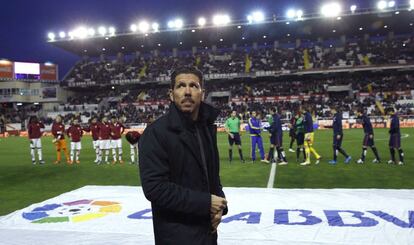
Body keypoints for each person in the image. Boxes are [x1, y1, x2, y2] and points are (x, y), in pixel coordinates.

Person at [139, 66, 227, 245]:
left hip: (208, 232)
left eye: (194, 86)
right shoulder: (156, 133)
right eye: (181, 86)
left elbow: (212, 177)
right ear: (171, 94)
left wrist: (220, 208)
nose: (187, 91)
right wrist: (206, 203)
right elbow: (155, 188)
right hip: (176, 235)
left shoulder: (207, 129)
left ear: (202, 93)